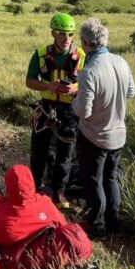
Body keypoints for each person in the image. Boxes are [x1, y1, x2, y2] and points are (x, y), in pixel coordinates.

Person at [72, 18, 135, 238]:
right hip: (118, 133)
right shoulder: (121, 62)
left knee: (93, 179)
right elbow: (130, 93)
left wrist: (75, 98)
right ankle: (114, 222)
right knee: (111, 178)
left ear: (86, 42)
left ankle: (97, 226)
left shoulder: (89, 71)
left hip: (95, 136)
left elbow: (83, 112)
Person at [0, 165, 93, 269]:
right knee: (46, 190)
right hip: (47, 248)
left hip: (21, 259)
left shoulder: (3, 218)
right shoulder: (45, 203)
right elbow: (62, 223)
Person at [25, 12, 86, 209]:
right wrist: (48, 86)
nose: (66, 39)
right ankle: (36, 187)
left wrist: (74, 88)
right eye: (61, 33)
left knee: (65, 153)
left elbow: (91, 82)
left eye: (70, 34)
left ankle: (59, 191)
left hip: (69, 109)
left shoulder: (82, 55)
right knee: (38, 150)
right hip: (46, 108)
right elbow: (30, 81)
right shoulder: (41, 54)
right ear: (53, 33)